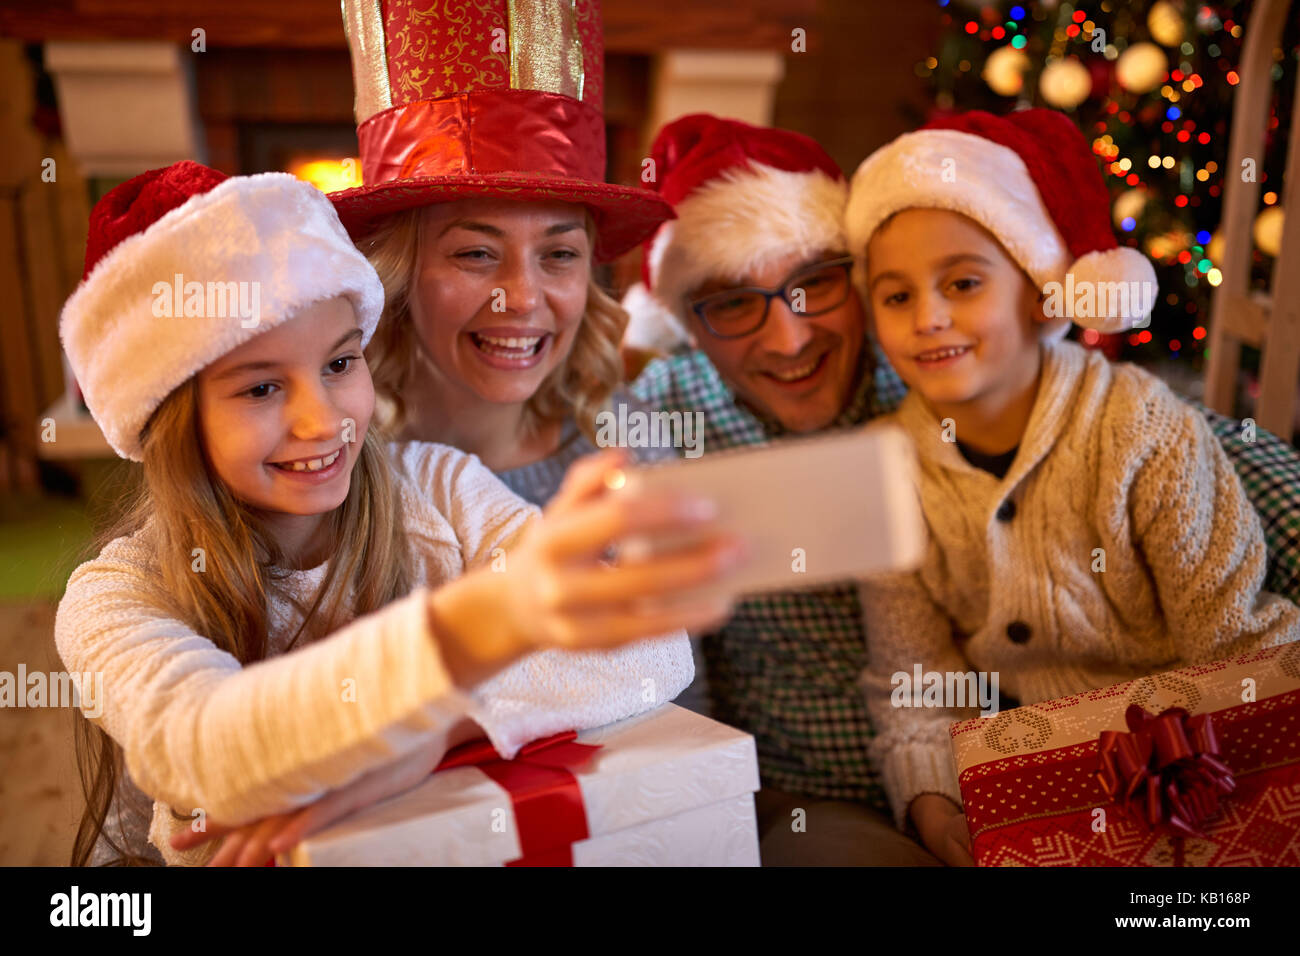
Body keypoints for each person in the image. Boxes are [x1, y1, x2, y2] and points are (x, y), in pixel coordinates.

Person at [624, 112, 1300, 865]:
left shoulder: (1095, 413)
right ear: (688, 317)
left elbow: (1243, 632)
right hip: (934, 798)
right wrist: (931, 804)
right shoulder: (676, 422)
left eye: (817, 283)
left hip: (1188, 778)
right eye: (732, 302)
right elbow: (911, 679)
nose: (789, 338)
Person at [55, 161, 743, 867]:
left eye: (338, 364)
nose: (322, 422)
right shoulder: (115, 597)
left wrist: (437, 733)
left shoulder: (440, 487)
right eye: (261, 388)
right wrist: (497, 620)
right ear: (168, 421)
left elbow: (653, 651)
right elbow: (202, 751)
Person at [845, 108, 1300, 866]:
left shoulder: (1140, 429)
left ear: (1041, 290)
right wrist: (931, 803)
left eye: (962, 283)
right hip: (1030, 795)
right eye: (895, 298)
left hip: (1201, 770)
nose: (929, 318)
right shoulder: (885, 470)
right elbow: (914, 682)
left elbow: (1237, 649)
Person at [328, 0, 676, 507]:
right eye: (476, 254)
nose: (521, 299)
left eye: (559, 254)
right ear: (399, 275)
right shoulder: (334, 462)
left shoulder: (628, 436)